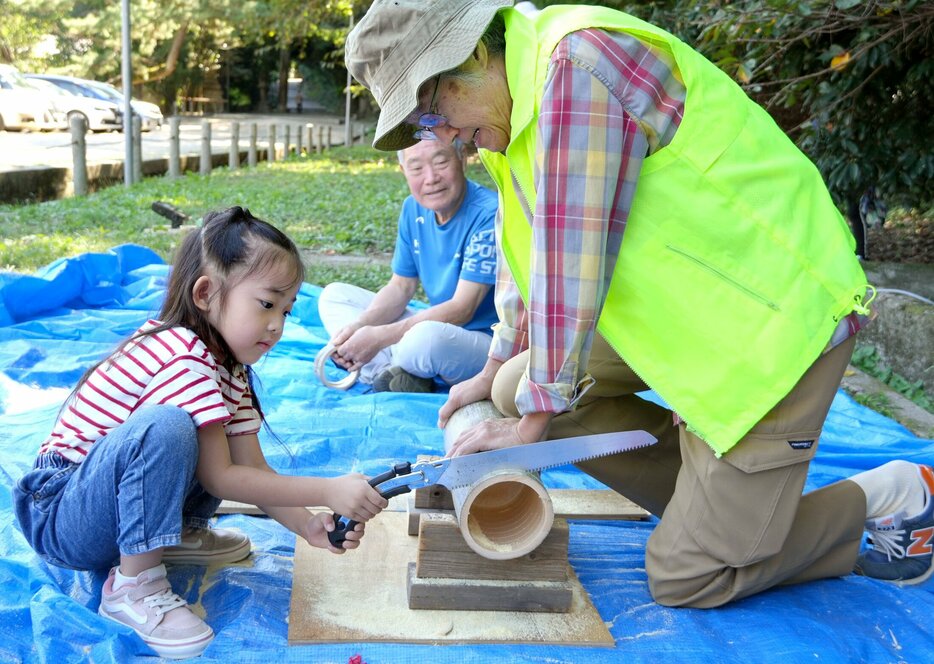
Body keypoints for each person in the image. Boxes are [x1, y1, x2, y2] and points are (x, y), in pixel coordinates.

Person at [345, 0, 933, 608]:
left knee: (687, 576)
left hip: (771, 325)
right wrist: (494, 370)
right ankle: (720, 509)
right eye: (422, 126)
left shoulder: (574, 68)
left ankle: (887, 496)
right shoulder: (506, 109)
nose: (439, 138)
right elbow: (528, 258)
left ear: (474, 57)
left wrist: (531, 424)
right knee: (515, 386)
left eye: (433, 113)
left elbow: (573, 262)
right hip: (697, 320)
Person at [13, 206, 387, 658]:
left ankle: (173, 535)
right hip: (61, 513)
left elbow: (250, 469)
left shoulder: (230, 370)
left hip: (101, 507)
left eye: (287, 311)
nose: (278, 325)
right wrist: (328, 489)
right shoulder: (184, 355)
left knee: (202, 434)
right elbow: (220, 479)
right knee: (169, 428)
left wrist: (308, 525)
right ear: (206, 294)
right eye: (267, 304)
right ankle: (134, 586)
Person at [318, 138, 498, 393]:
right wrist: (360, 327)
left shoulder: (489, 213)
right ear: (404, 172)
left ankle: (397, 366)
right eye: (416, 168)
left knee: (426, 339)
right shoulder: (412, 208)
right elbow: (401, 287)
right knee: (334, 296)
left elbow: (462, 310)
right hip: (433, 325)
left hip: (484, 343)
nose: (431, 178)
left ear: (462, 158)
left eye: (441, 161)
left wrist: (380, 337)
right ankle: (395, 372)